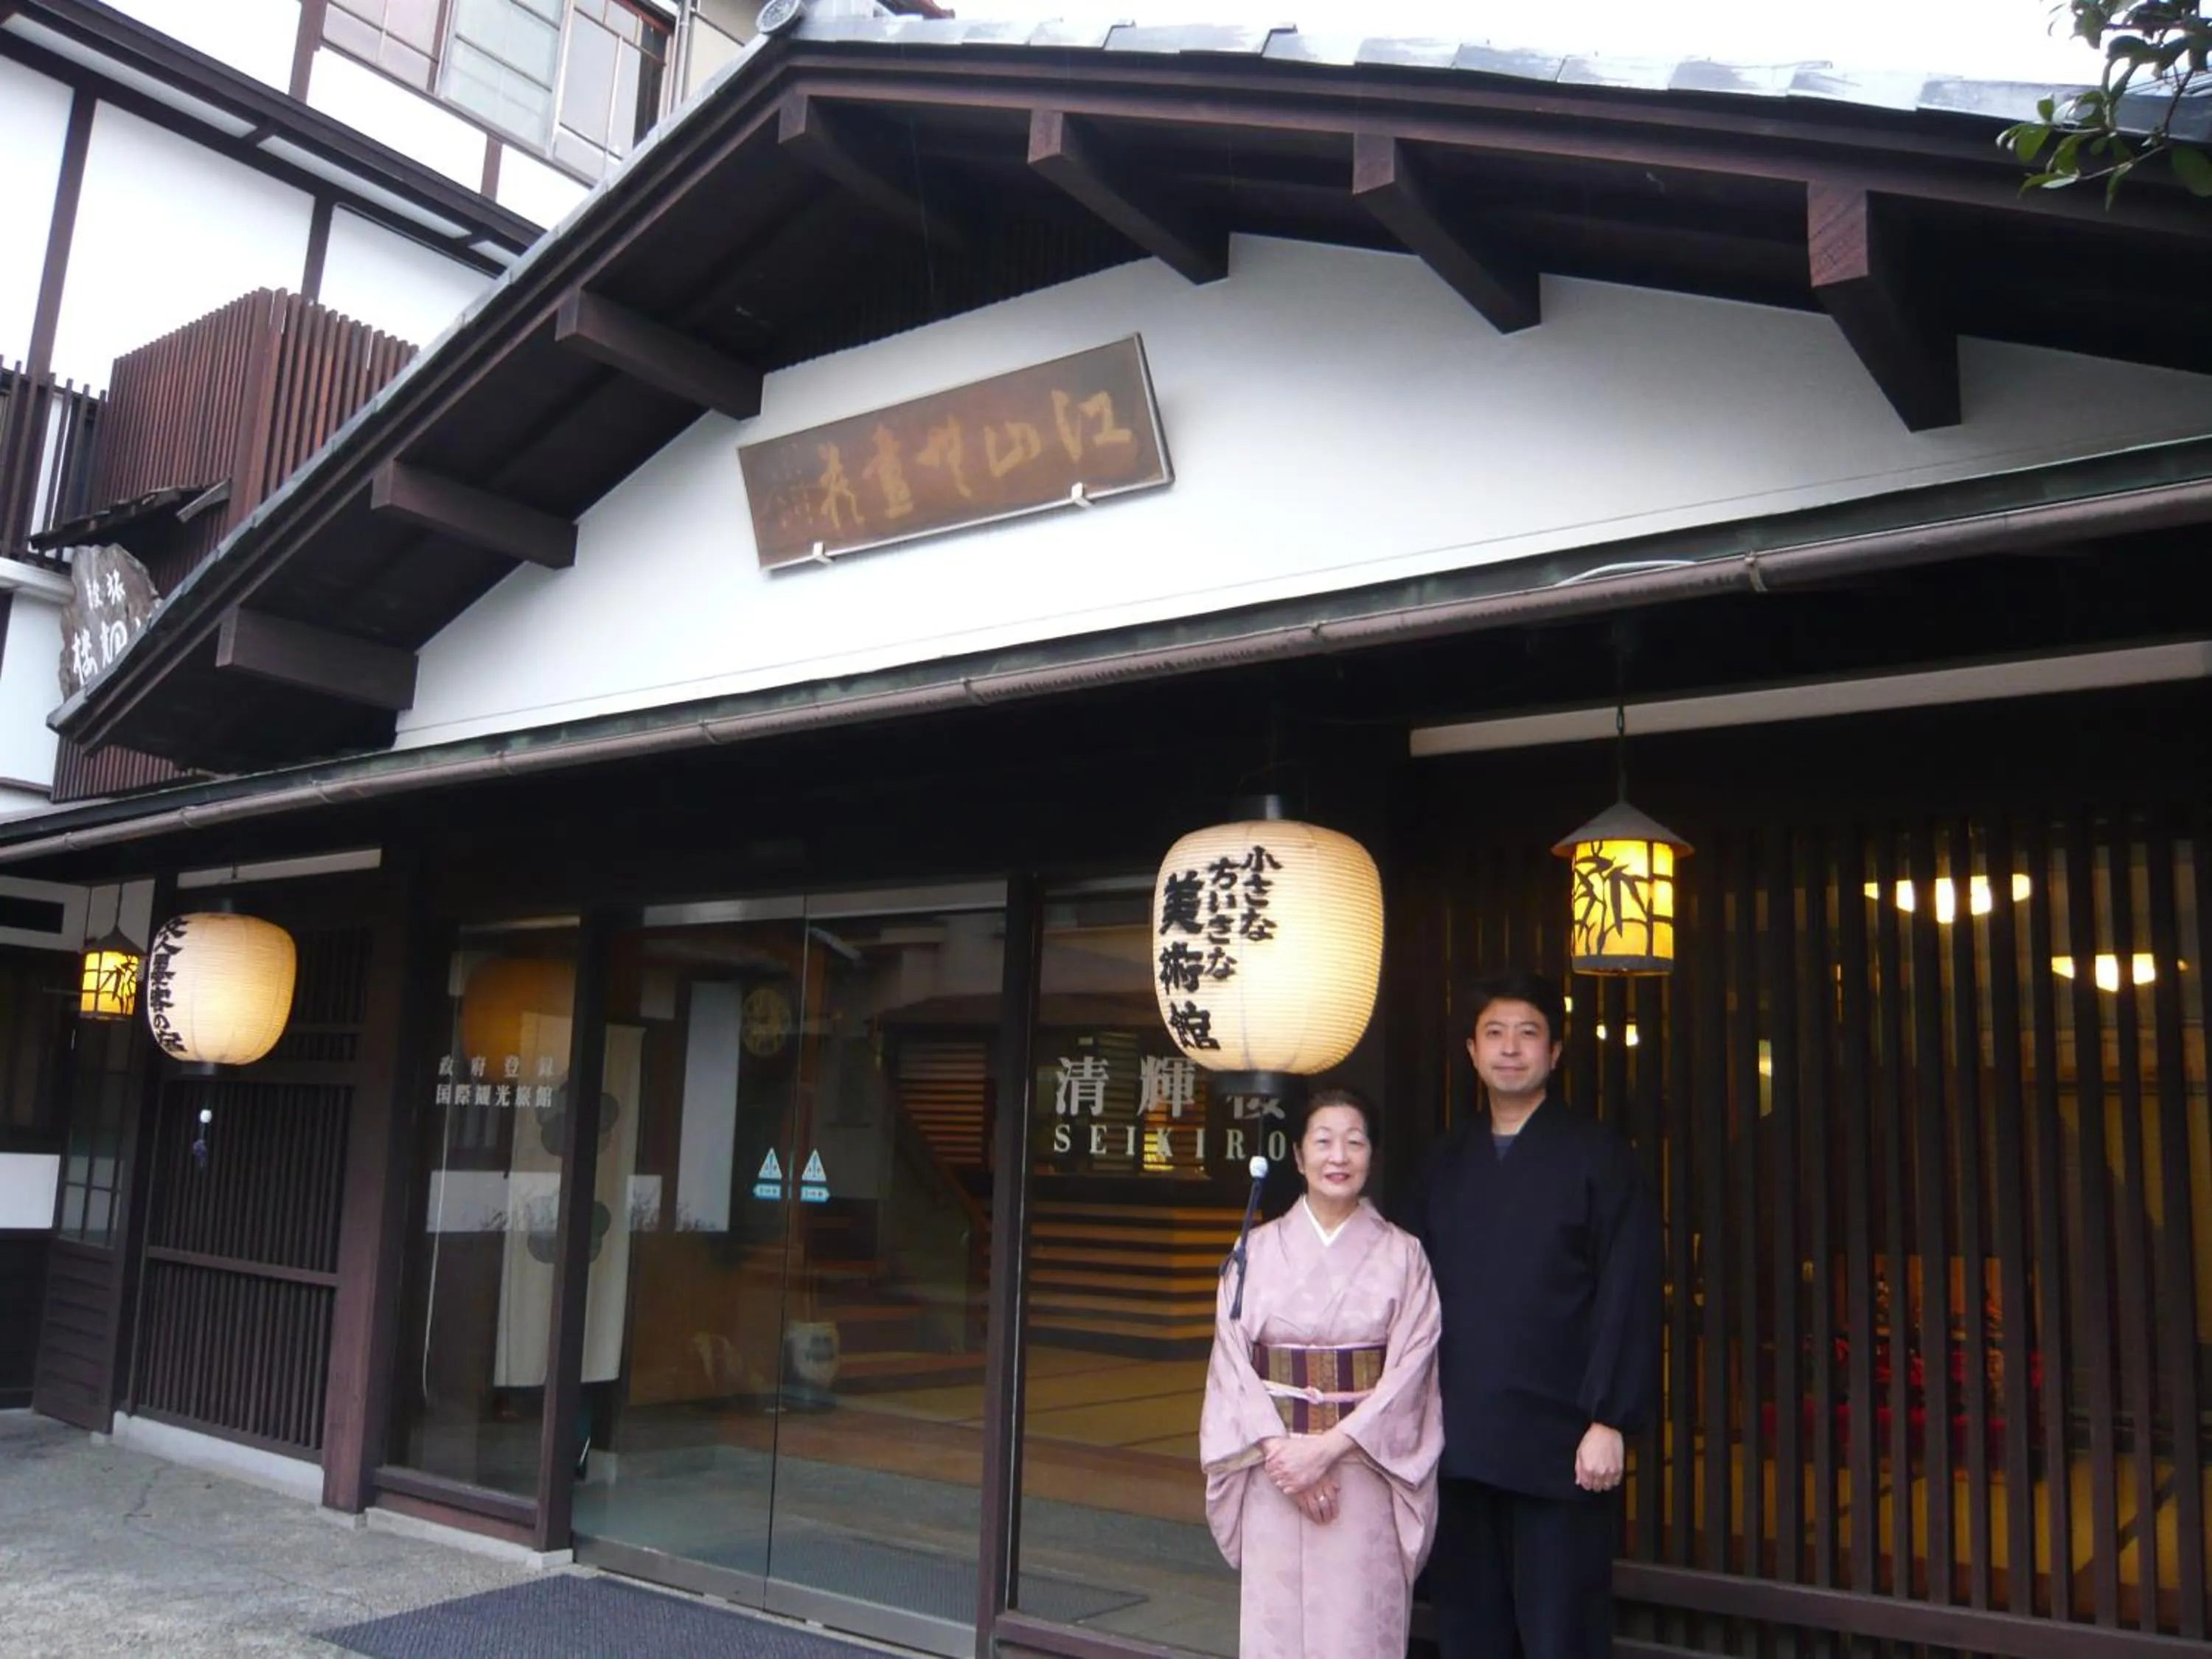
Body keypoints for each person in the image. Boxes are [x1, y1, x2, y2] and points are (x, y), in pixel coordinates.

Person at [1415, 969, 1662, 1659]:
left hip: (1562, 1442)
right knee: (1469, 1629)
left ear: (1555, 1053)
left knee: (1562, 1634)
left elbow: (1629, 1291)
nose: (1510, 1048)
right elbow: (1404, 1291)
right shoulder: (1445, 1160)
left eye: (1529, 1034)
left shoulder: (1600, 1156)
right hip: (1460, 1434)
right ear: (1471, 1051)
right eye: (1494, 1033)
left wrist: (1609, 1417)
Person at [1199, 1086, 1444, 1659]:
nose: (1339, 1157)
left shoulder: (1403, 1256)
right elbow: (1232, 1363)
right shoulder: (1254, 1252)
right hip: (1274, 1470)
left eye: (1354, 1143)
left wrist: (1327, 1449)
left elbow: (1412, 1371)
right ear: (1299, 1155)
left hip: (1360, 1470)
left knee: (1356, 1628)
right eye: (1324, 1141)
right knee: (1276, 1627)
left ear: (1371, 1157)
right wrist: (1286, 1456)